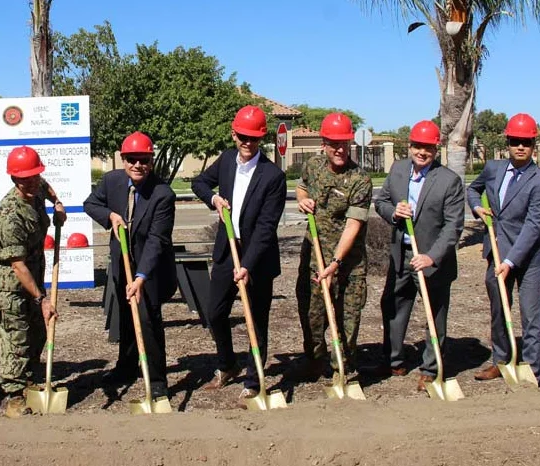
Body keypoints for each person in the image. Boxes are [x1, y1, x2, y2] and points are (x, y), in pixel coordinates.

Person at [191, 105, 287, 405]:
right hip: (226, 249)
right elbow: (199, 183)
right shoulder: (226, 161)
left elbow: (266, 227)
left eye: (254, 138)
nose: (247, 143)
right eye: (243, 137)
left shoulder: (273, 176)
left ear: (262, 139)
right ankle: (227, 364)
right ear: (234, 135)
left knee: (256, 320)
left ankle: (253, 379)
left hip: (257, 256)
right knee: (215, 312)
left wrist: (246, 265)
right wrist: (214, 198)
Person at [83, 131, 177, 399]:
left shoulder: (163, 194)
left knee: (147, 320)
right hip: (120, 263)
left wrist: (140, 277)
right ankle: (126, 367)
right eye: (132, 159)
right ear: (123, 159)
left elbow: (157, 240)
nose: (138, 165)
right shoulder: (112, 180)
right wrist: (110, 215)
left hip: (151, 268)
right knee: (125, 317)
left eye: (144, 159)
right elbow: (90, 204)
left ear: (151, 160)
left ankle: (157, 379)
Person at [372, 120, 464, 391]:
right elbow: (381, 202)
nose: (422, 152)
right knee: (393, 307)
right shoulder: (398, 170)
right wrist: (393, 213)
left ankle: (431, 368)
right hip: (401, 254)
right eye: (418, 146)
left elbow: (453, 226)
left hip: (432, 260)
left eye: (429, 148)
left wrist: (431, 257)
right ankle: (393, 360)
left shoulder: (449, 181)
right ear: (410, 146)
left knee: (434, 314)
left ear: (436, 150)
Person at [467, 113, 540, 386]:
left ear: (533, 146)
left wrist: (511, 261)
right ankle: (500, 361)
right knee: (499, 311)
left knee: (530, 314)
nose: (520, 147)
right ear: (508, 142)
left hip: (527, 257)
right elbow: (473, 189)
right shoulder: (493, 168)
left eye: (525, 142)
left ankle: (532, 370)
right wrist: (478, 207)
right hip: (496, 251)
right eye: (515, 141)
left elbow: (532, 227)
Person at [0, 146, 66, 417]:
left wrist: (58, 204)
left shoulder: (38, 185)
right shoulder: (9, 216)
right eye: (23, 178)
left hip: (32, 268)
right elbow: (16, 265)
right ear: (13, 179)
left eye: (33, 176)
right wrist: (41, 299)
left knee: (37, 331)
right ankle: (14, 395)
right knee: (15, 334)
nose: (30, 182)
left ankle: (29, 380)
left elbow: (48, 188)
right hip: (8, 278)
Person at [295, 113, 372, 378]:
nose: (340, 149)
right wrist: (302, 199)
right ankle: (315, 361)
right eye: (334, 144)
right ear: (324, 144)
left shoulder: (360, 179)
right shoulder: (313, 166)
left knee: (348, 320)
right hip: (315, 255)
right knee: (312, 316)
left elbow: (353, 225)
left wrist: (336, 263)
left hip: (348, 262)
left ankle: (343, 363)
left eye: (344, 144)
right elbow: (301, 187)